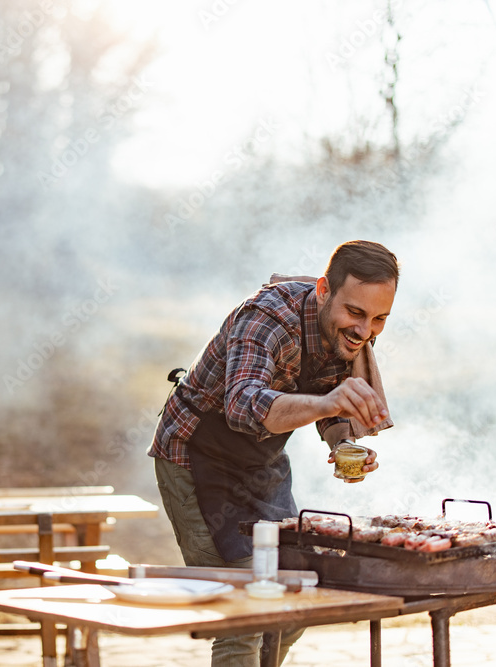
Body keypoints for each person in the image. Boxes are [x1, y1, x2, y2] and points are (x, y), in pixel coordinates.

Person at [147, 240, 399, 667]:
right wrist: (327, 403)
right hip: (194, 454)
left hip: (262, 465)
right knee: (246, 613)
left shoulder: (347, 336)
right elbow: (243, 406)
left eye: (379, 319)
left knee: (295, 601)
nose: (364, 331)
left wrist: (343, 444)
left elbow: (328, 400)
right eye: (355, 313)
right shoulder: (266, 318)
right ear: (324, 290)